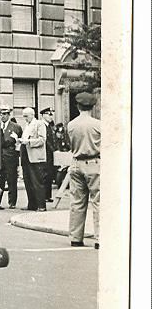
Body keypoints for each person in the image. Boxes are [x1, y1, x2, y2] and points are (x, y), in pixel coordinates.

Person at [66, 92, 100, 248]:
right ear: (92, 107)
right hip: (94, 163)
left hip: (76, 163)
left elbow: (70, 144)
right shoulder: (98, 125)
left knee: (77, 201)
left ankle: (75, 237)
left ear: (78, 106)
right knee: (98, 202)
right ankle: (100, 237)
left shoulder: (71, 125)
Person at [18, 106, 47, 211]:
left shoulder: (39, 124)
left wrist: (29, 142)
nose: (25, 118)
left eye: (26, 116)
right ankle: (32, 204)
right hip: (26, 155)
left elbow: (42, 140)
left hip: (35, 157)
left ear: (32, 115)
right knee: (28, 181)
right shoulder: (27, 125)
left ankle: (41, 205)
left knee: (37, 182)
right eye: (23, 116)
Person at [0, 104, 23, 208]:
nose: (2, 116)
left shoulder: (16, 127)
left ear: (9, 115)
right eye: (1, 114)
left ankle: (12, 202)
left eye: (4, 114)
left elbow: (17, 142)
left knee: (11, 181)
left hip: (10, 157)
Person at [40, 106, 56, 201]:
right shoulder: (42, 125)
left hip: (50, 155)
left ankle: (48, 195)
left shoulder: (50, 126)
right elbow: (45, 141)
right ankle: (44, 195)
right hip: (45, 154)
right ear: (43, 115)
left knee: (49, 175)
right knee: (45, 176)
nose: (51, 117)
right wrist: (53, 149)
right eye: (49, 115)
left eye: (51, 115)